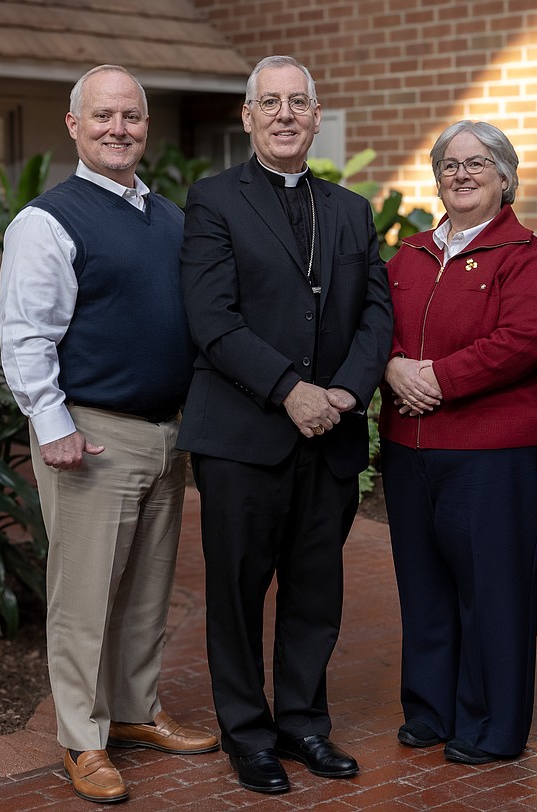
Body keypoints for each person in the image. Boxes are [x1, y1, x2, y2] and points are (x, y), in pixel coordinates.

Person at [0, 64, 218, 805]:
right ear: (74, 126)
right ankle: (82, 740)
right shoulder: (49, 220)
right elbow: (25, 335)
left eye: (131, 117)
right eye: (103, 117)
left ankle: (133, 711)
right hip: (91, 436)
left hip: (165, 434)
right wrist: (51, 423)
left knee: (148, 591)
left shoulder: (167, 217)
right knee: (84, 598)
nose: (119, 129)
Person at [178, 55, 392, 795]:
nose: (283, 114)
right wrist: (288, 389)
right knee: (237, 597)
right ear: (247, 116)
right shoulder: (211, 202)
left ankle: (303, 724)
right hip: (242, 438)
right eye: (268, 102)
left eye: (296, 102)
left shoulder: (352, 211)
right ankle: (248, 735)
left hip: (329, 434)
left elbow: (376, 315)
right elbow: (211, 318)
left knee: (315, 592)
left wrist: (343, 393)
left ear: (316, 115)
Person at [378, 121, 537, 765]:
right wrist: (394, 365)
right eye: (450, 164)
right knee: (424, 585)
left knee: (493, 591)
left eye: (477, 163)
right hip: (410, 449)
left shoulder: (523, 254)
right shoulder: (410, 255)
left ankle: (491, 726)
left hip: (494, 452)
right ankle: (431, 710)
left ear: (505, 178)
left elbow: (529, 336)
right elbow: (375, 324)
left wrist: (440, 379)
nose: (461, 174)